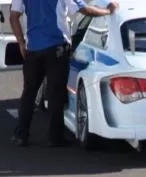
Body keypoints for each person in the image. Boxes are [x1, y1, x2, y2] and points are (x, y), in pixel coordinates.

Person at [9, 0, 117, 147]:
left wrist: (21, 43)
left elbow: (13, 16)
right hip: (56, 48)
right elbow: (85, 10)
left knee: (29, 92)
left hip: (32, 49)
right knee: (55, 93)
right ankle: (55, 137)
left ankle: (21, 135)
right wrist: (108, 11)